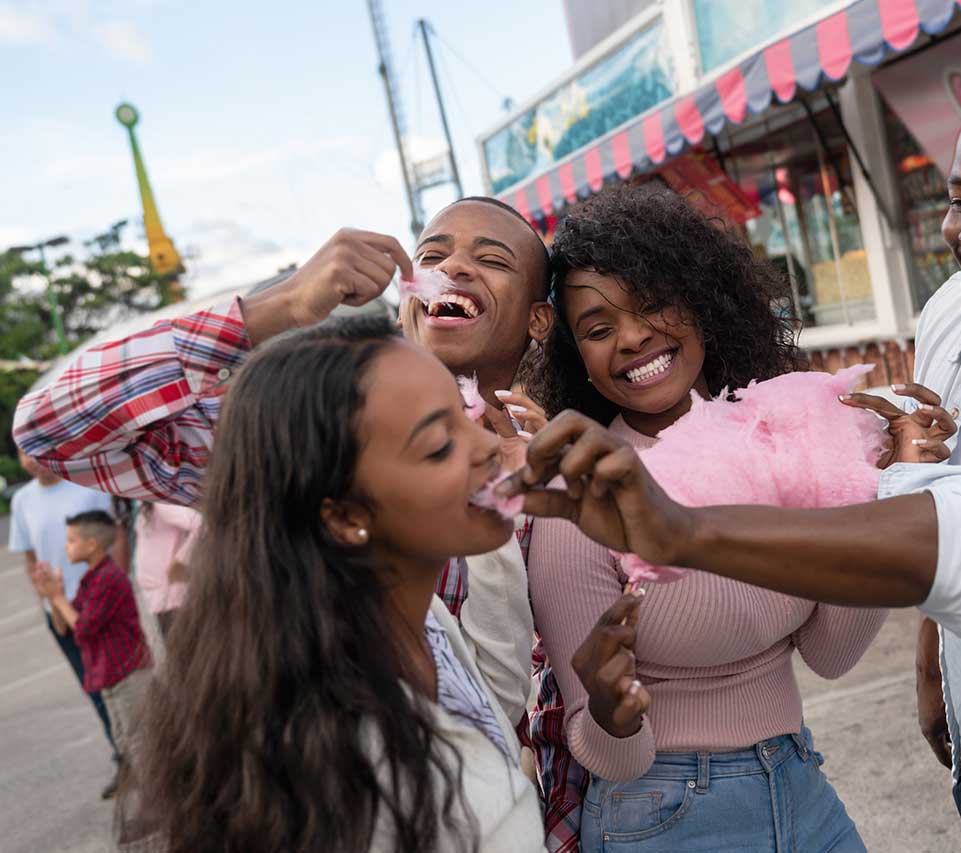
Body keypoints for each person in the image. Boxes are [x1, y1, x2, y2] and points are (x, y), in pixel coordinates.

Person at [505, 73, 961, 851]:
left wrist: (680, 532)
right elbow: (930, 531)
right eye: (960, 198)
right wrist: (934, 672)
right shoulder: (954, 317)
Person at [14, 203, 586, 851]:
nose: (453, 265)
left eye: (490, 259)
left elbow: (500, 698)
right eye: (431, 255)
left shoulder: (563, 463)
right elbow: (50, 427)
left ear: (539, 317)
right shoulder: (310, 439)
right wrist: (280, 304)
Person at [523, 184, 887, 852]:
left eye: (654, 304)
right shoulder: (578, 494)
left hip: (800, 780)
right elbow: (607, 751)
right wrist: (611, 710)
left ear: (703, 301)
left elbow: (832, 653)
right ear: (580, 359)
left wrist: (872, 495)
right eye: (600, 329)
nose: (632, 337)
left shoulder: (784, 437)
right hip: (661, 812)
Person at [128, 315, 542, 851]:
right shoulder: (343, 751)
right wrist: (275, 305)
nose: (488, 444)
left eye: (468, 415)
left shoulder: (419, 623)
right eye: (441, 444)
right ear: (345, 516)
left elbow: (495, 707)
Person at [6, 451, 120, 797]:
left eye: (36, 451)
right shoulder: (23, 501)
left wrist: (120, 584)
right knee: (94, 688)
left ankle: (150, 755)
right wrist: (48, 601)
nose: (31, 460)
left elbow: (117, 534)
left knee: (123, 685)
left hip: (101, 603)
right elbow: (30, 557)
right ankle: (124, 758)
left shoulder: (86, 484)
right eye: (23, 453)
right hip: (59, 609)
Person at [32, 510, 151, 793]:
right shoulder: (90, 580)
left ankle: (160, 807)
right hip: (108, 674)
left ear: (91, 545)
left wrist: (59, 598)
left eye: (71, 540)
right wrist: (52, 596)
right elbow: (66, 629)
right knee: (125, 742)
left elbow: (84, 628)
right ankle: (153, 805)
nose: (65, 546)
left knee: (141, 744)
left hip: (129, 673)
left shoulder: (109, 578)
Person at [132, 502, 202, 637]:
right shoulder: (144, 506)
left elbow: (200, 525)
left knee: (183, 652)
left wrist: (182, 561)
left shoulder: (161, 504)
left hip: (172, 595)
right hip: (161, 597)